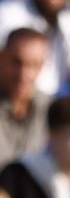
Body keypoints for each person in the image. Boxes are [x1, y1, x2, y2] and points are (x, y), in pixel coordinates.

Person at [0, 28, 51, 167]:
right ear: (2, 57)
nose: (23, 74)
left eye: (34, 65)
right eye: (17, 62)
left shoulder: (50, 108)